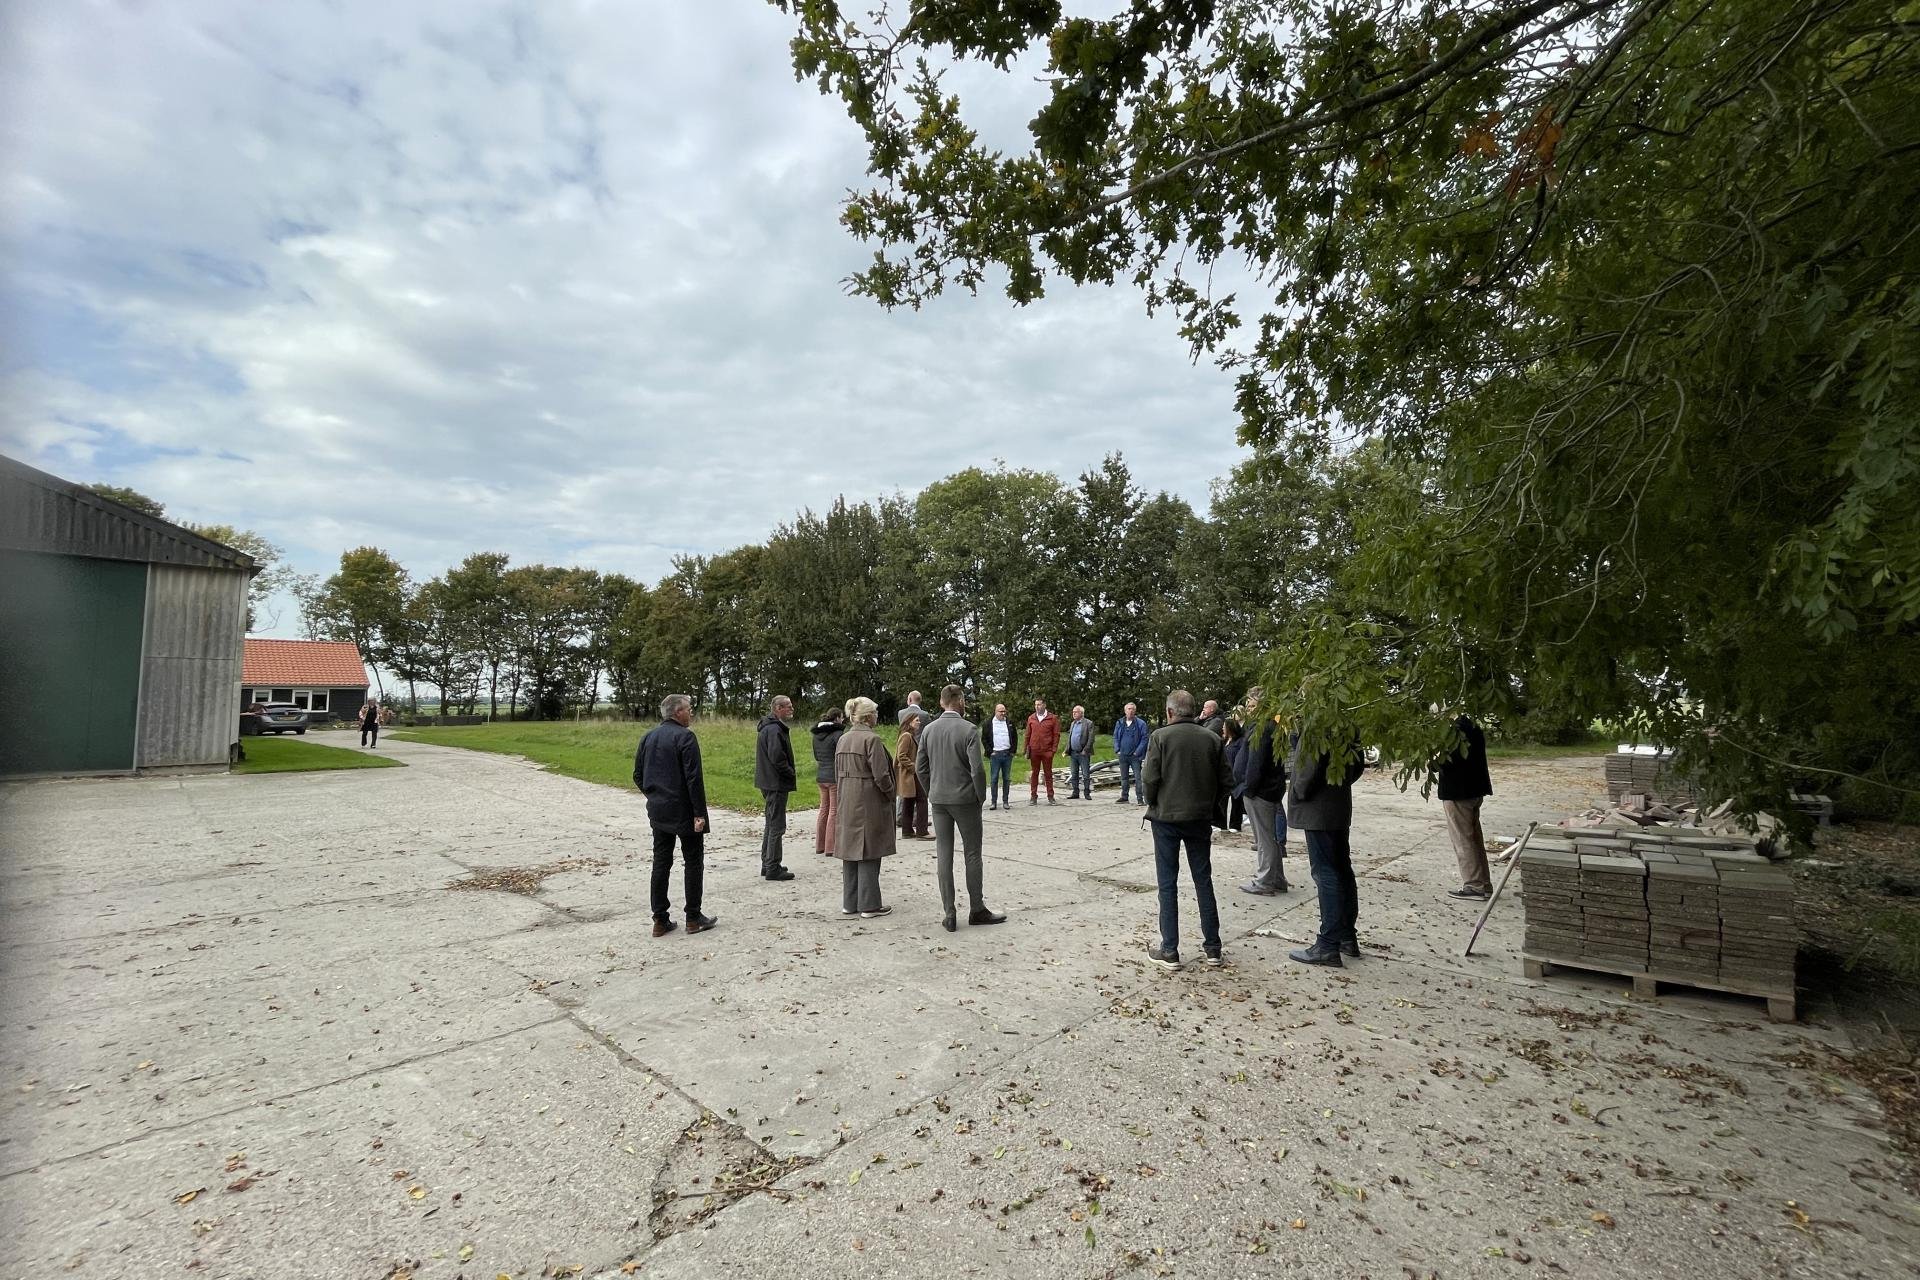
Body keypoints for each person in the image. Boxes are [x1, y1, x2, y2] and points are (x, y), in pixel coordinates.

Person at [1141, 689, 1230, 971]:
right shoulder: (1213, 739)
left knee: (1167, 884)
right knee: (1203, 880)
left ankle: (1170, 949)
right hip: (1200, 818)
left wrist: (1154, 802)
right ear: (1194, 711)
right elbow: (1227, 781)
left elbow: (1149, 778)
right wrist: (1209, 803)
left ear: (1170, 712)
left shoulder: (1160, 737)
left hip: (1166, 819)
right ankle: (1213, 947)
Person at [916, 684, 1006, 932]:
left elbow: (920, 767)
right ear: (960, 700)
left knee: (943, 854)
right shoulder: (968, 729)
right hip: (965, 799)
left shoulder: (928, 730)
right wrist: (980, 795)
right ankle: (976, 909)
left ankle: (949, 913)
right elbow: (977, 768)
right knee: (972, 854)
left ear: (942, 701)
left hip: (940, 800)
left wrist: (931, 790)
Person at [633, 693, 716, 937]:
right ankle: (693, 917)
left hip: (659, 810)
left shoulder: (648, 736)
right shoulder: (685, 737)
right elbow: (694, 779)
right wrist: (699, 813)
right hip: (684, 811)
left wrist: (653, 795)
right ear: (677, 712)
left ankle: (660, 919)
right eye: (689, 709)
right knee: (693, 861)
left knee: (661, 862)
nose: (692, 713)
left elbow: (637, 775)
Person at [1287, 729, 1367, 966]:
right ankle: (1346, 936)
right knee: (1341, 869)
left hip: (1318, 810)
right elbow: (1358, 764)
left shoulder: (1317, 721)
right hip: (1337, 806)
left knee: (1326, 873)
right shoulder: (1345, 721)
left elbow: (1307, 766)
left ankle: (1328, 943)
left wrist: (1299, 790)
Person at [833, 697, 898, 917]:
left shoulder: (843, 739)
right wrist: (891, 793)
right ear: (869, 716)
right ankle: (869, 905)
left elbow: (837, 772)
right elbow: (881, 775)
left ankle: (850, 902)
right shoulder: (872, 740)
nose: (877, 717)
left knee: (851, 851)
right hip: (869, 799)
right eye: (876, 713)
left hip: (847, 799)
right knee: (870, 850)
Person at [1436, 711, 1494, 900]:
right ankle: (1483, 883)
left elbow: (1447, 761)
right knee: (1474, 838)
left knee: (1463, 840)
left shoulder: (1454, 729)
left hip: (1458, 792)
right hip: (1474, 790)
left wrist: (1431, 761)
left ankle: (1474, 885)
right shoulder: (1472, 725)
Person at [1240, 711, 1291, 895]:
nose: (1249, 708)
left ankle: (1265, 881)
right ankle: (1277, 879)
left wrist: (1248, 788)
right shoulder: (1274, 727)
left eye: (1253, 705)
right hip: (1269, 788)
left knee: (1264, 839)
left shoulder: (1262, 729)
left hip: (1260, 791)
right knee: (1269, 837)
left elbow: (1256, 763)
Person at [754, 695, 798, 881]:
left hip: (769, 781)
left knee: (771, 823)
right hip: (775, 783)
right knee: (776, 825)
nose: (791, 709)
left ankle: (768, 863)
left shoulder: (771, 727)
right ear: (778, 708)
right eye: (788, 706)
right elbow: (777, 758)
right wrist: (790, 772)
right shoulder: (773, 730)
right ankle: (772, 866)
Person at [811, 706, 846, 856]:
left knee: (823, 809)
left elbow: (817, 757)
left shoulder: (816, 735)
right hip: (834, 776)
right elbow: (841, 755)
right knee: (834, 811)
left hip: (821, 775)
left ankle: (820, 845)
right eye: (842, 717)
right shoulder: (838, 734)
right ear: (837, 717)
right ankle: (831, 847)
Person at [895, 711, 931, 839]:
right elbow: (901, 756)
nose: (919, 722)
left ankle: (907, 830)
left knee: (909, 801)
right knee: (922, 799)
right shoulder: (906, 736)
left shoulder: (908, 735)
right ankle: (922, 831)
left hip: (909, 775)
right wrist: (914, 767)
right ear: (909, 722)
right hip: (910, 775)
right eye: (916, 720)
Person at [1025, 697, 1060, 805]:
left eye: (1039, 704)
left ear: (1044, 705)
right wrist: (1026, 749)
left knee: (1048, 774)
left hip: (1047, 751)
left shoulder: (1052, 718)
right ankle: (1033, 796)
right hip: (1034, 750)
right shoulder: (1031, 718)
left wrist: (1053, 750)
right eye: (1035, 705)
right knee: (1034, 773)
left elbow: (1056, 735)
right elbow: (1027, 734)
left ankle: (1050, 796)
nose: (1037, 707)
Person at [983, 702, 1017, 810]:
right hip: (995, 755)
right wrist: (990, 751)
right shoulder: (989, 723)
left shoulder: (1009, 722)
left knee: (1006, 778)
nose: (1003, 713)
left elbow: (1015, 737)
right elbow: (984, 739)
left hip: (1007, 754)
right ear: (995, 711)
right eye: (1001, 711)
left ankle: (1005, 801)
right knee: (994, 778)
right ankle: (993, 802)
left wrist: (1012, 751)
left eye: (1004, 711)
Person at [1112, 702, 1148, 805]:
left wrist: (1137, 752)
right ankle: (1124, 797)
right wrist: (1117, 749)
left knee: (1138, 778)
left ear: (1135, 711)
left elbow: (1145, 738)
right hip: (1122, 755)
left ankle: (1140, 799)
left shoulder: (1141, 724)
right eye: (1128, 709)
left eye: (1132, 709)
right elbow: (1115, 737)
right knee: (1124, 777)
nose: (1130, 711)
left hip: (1135, 756)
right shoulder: (1120, 723)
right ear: (1125, 711)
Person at [1066, 705, 1097, 799]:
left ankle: (1087, 793)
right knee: (1074, 773)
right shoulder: (1073, 723)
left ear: (1081, 713)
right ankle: (1075, 792)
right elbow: (1070, 737)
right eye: (1073, 712)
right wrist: (1068, 749)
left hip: (1083, 753)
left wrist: (1085, 750)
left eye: (1076, 712)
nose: (1074, 713)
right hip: (1073, 753)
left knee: (1086, 774)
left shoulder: (1088, 723)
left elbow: (1091, 738)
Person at [1223, 719, 1248, 832]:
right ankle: (1220, 823)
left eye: (1224, 726)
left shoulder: (1240, 741)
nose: (1222, 728)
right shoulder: (1225, 741)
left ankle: (1235, 824)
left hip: (1236, 773)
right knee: (1222, 799)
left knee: (1236, 800)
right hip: (1225, 774)